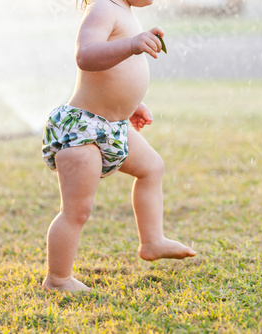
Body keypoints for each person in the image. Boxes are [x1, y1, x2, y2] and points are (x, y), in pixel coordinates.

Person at [41, 0, 196, 292]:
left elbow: (114, 76)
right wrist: (132, 45)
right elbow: (86, 56)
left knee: (152, 168)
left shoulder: (126, 12)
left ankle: (152, 241)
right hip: (83, 128)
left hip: (115, 124)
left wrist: (130, 103)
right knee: (77, 210)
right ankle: (58, 278)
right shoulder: (103, 7)